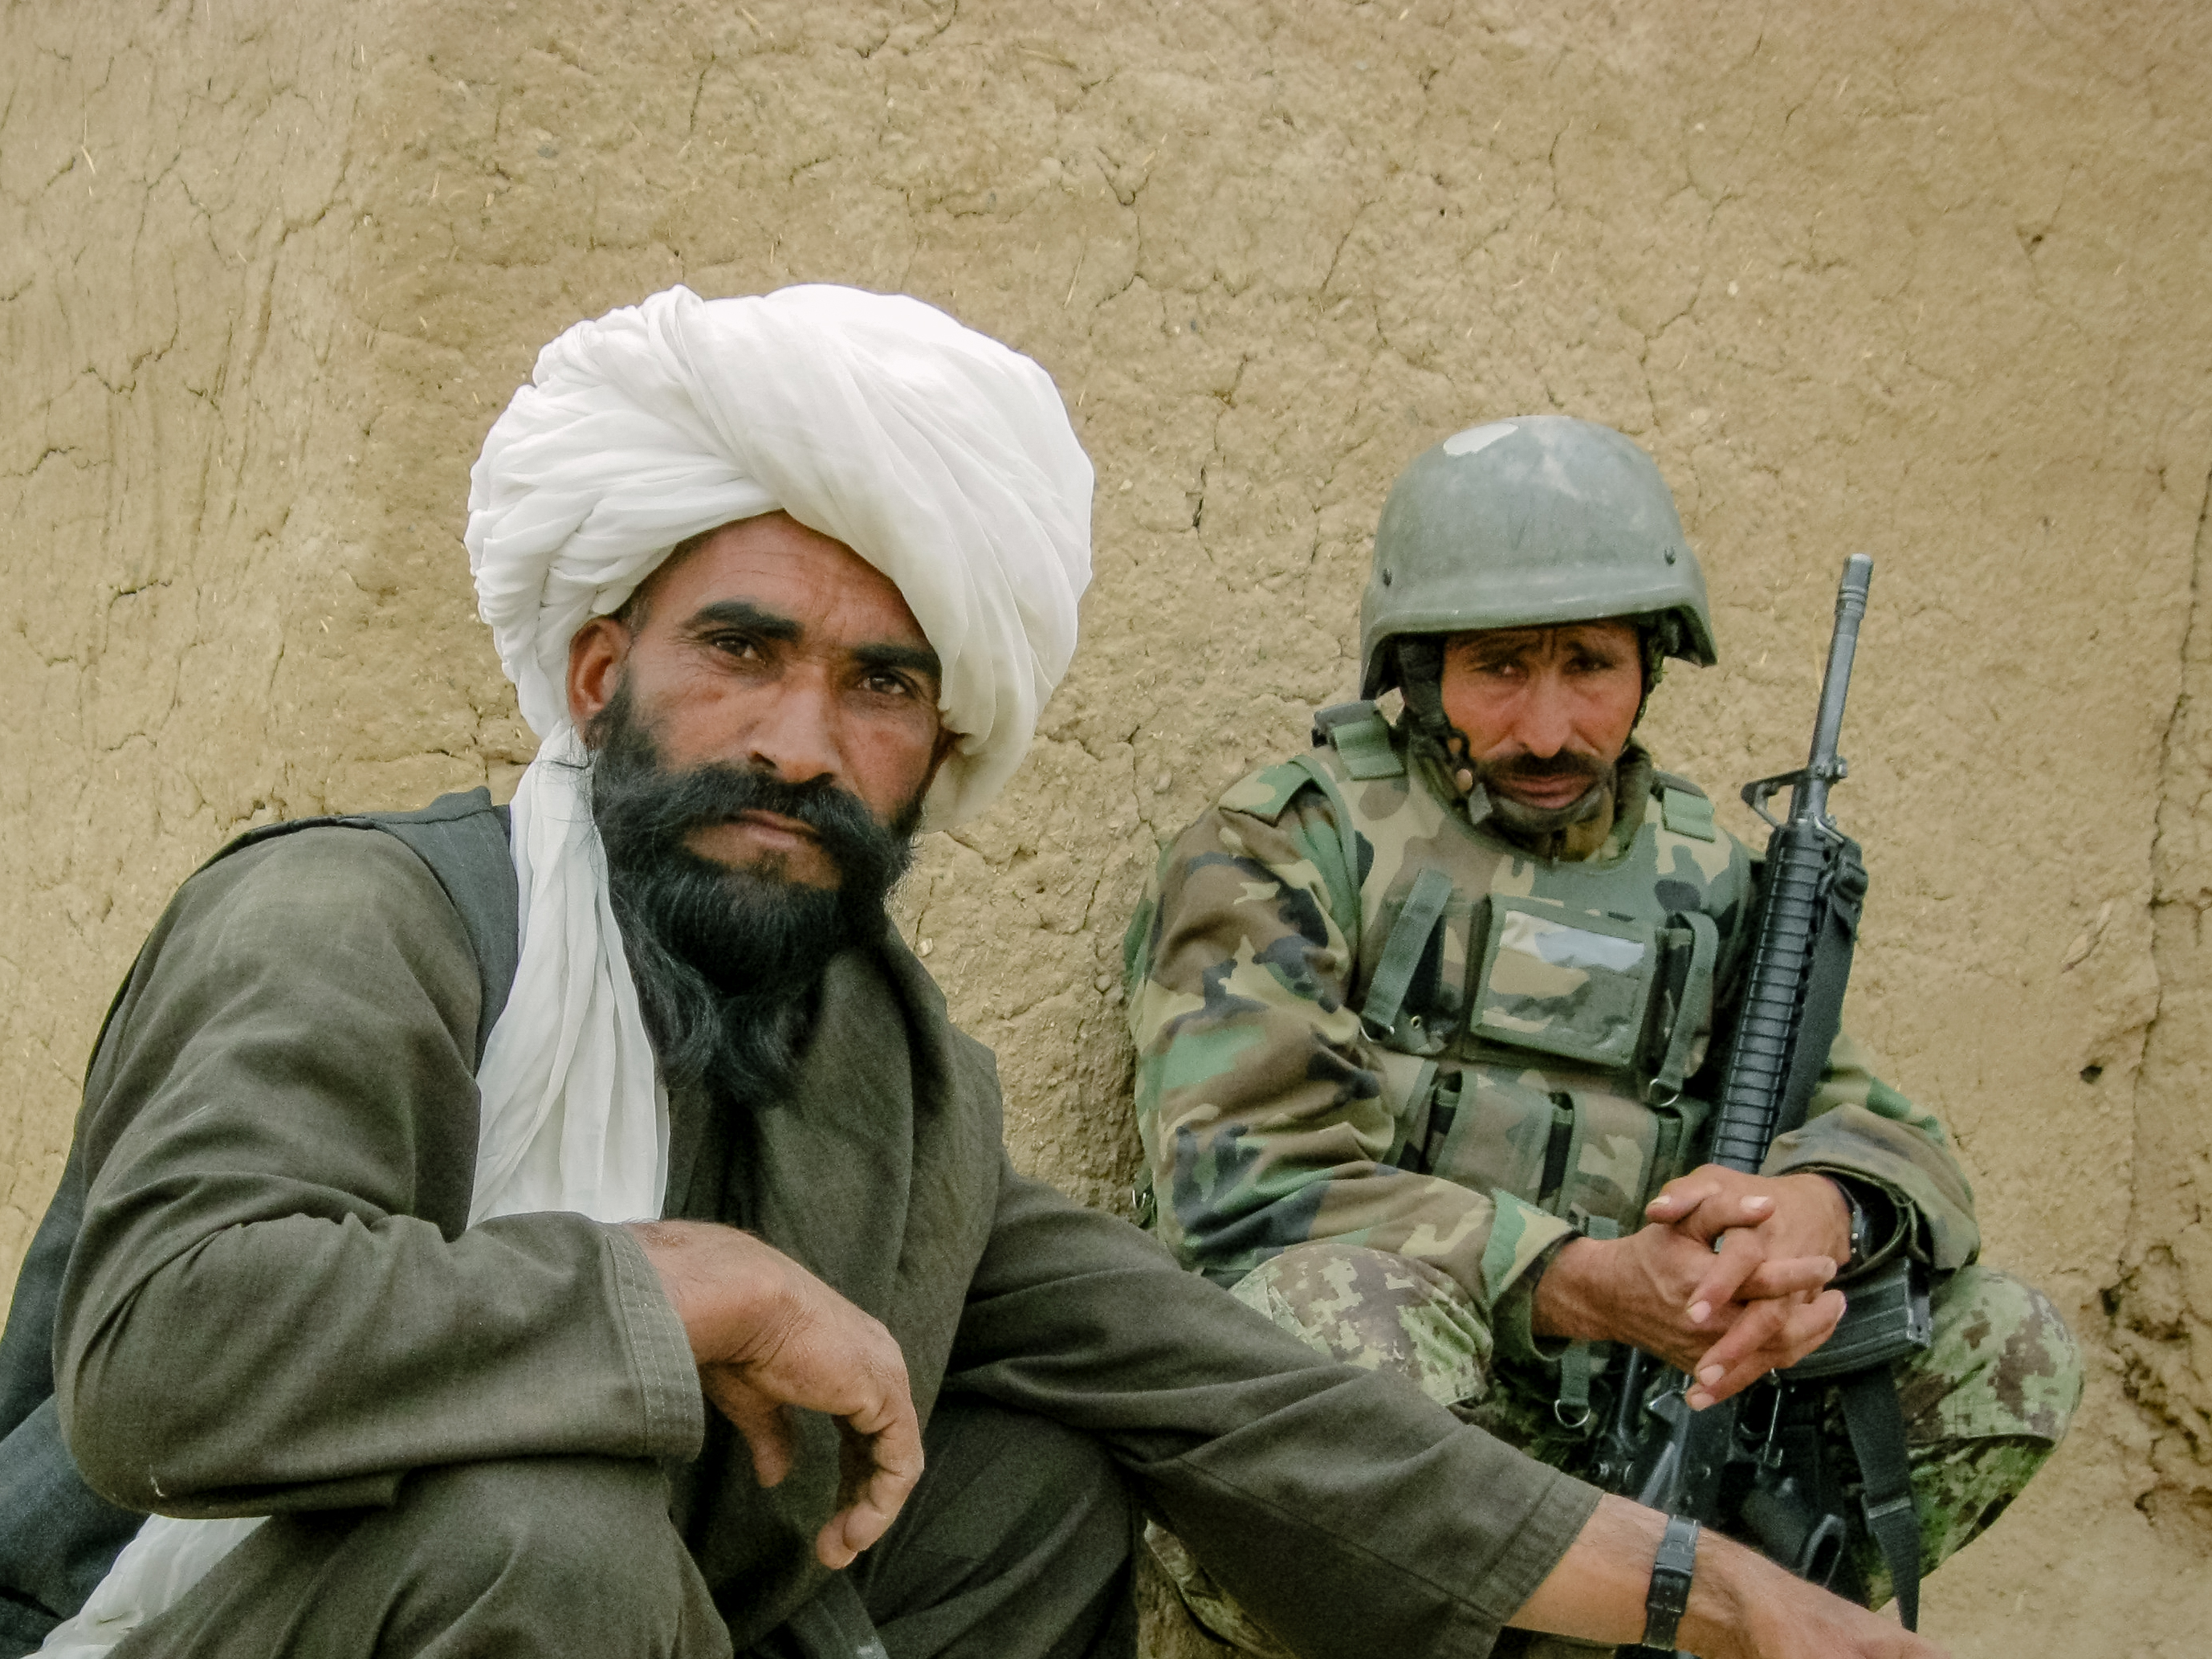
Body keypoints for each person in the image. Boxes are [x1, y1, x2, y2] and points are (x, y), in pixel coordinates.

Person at [2, 294, 1948, 1659]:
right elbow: (172, 1347)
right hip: (185, 1620)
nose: (796, 738)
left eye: (880, 685)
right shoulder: (363, 922)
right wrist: (695, 1286)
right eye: (740, 652)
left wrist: (1737, 1601)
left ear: (938, 749)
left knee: (1031, 1486)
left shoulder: (887, 1072)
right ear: (601, 679)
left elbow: (1236, 1398)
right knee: (549, 1532)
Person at [1124, 415, 2083, 1655]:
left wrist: (1807, 1228)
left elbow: (1894, 1137)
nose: (1547, 726)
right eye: (1500, 667)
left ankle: (1686, 1617)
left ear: (1652, 665)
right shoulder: (1288, 843)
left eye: (1590, 665)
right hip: (1419, 1442)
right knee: (1331, 1313)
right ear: (1415, 670)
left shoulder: (1714, 881)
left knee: (2006, 1345)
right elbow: (1249, 1184)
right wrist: (1593, 1284)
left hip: (1662, 1421)